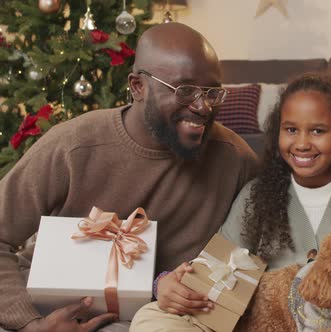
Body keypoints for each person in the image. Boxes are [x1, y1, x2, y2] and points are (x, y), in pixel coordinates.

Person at [0, 22, 259, 332]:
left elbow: (267, 238)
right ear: (138, 86)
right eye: (185, 90)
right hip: (48, 311)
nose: (202, 107)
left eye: (212, 92)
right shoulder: (74, 145)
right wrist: (31, 324)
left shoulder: (235, 158)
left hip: (153, 319)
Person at [130, 72, 331, 332]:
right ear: (277, 132)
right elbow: (213, 271)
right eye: (291, 130)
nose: (302, 143)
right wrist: (168, 284)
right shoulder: (256, 196)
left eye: (318, 131)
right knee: (152, 318)